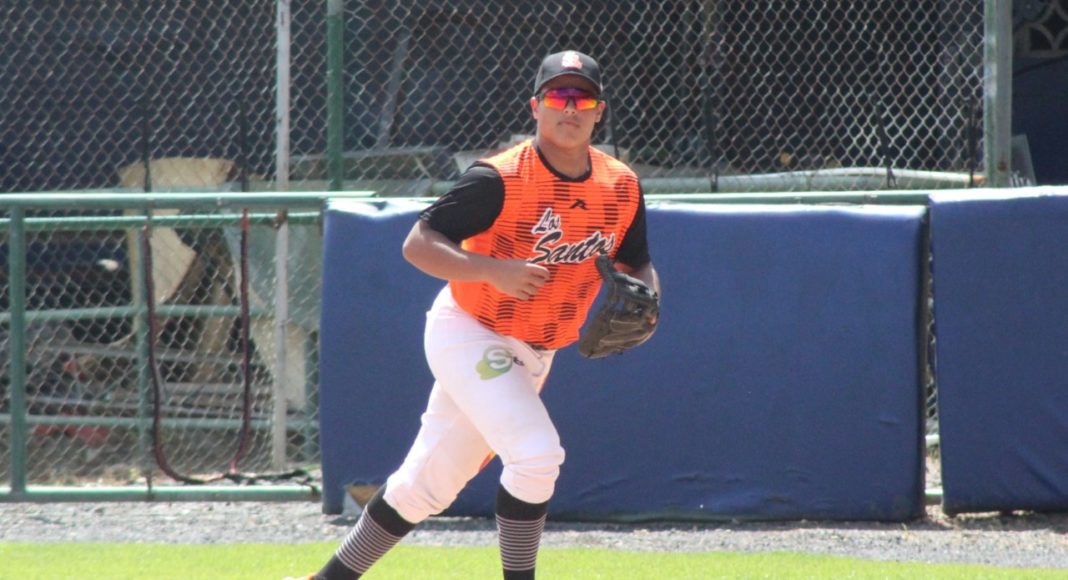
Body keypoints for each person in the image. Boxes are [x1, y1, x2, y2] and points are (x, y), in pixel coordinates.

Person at [290, 49, 659, 580]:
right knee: (537, 455)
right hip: (471, 330)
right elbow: (418, 243)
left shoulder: (620, 185)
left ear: (599, 112)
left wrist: (649, 300)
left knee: (427, 486)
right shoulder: (500, 177)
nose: (569, 107)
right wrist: (491, 270)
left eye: (583, 99)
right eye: (558, 95)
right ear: (535, 106)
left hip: (537, 350)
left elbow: (637, 261)